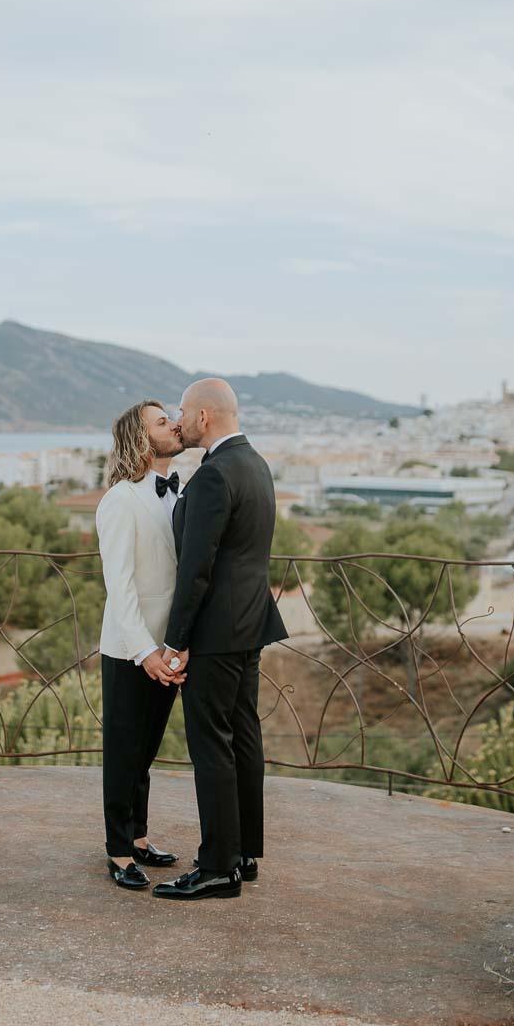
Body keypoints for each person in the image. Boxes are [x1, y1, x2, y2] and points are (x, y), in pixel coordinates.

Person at [153, 378, 287, 902]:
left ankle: (216, 868)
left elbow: (197, 568)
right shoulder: (255, 464)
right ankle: (242, 853)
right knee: (242, 737)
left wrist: (176, 639)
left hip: (214, 629)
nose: (179, 421)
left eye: (183, 413)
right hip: (250, 622)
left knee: (211, 745)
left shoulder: (213, 476)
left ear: (205, 416)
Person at [94, 399, 187, 890]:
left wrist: (175, 646)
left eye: (171, 417)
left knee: (147, 749)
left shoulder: (178, 494)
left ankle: (140, 837)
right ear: (140, 437)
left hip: (170, 649)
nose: (174, 424)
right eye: (160, 421)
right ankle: (116, 849)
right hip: (130, 648)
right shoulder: (119, 500)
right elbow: (121, 586)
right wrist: (145, 652)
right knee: (124, 748)